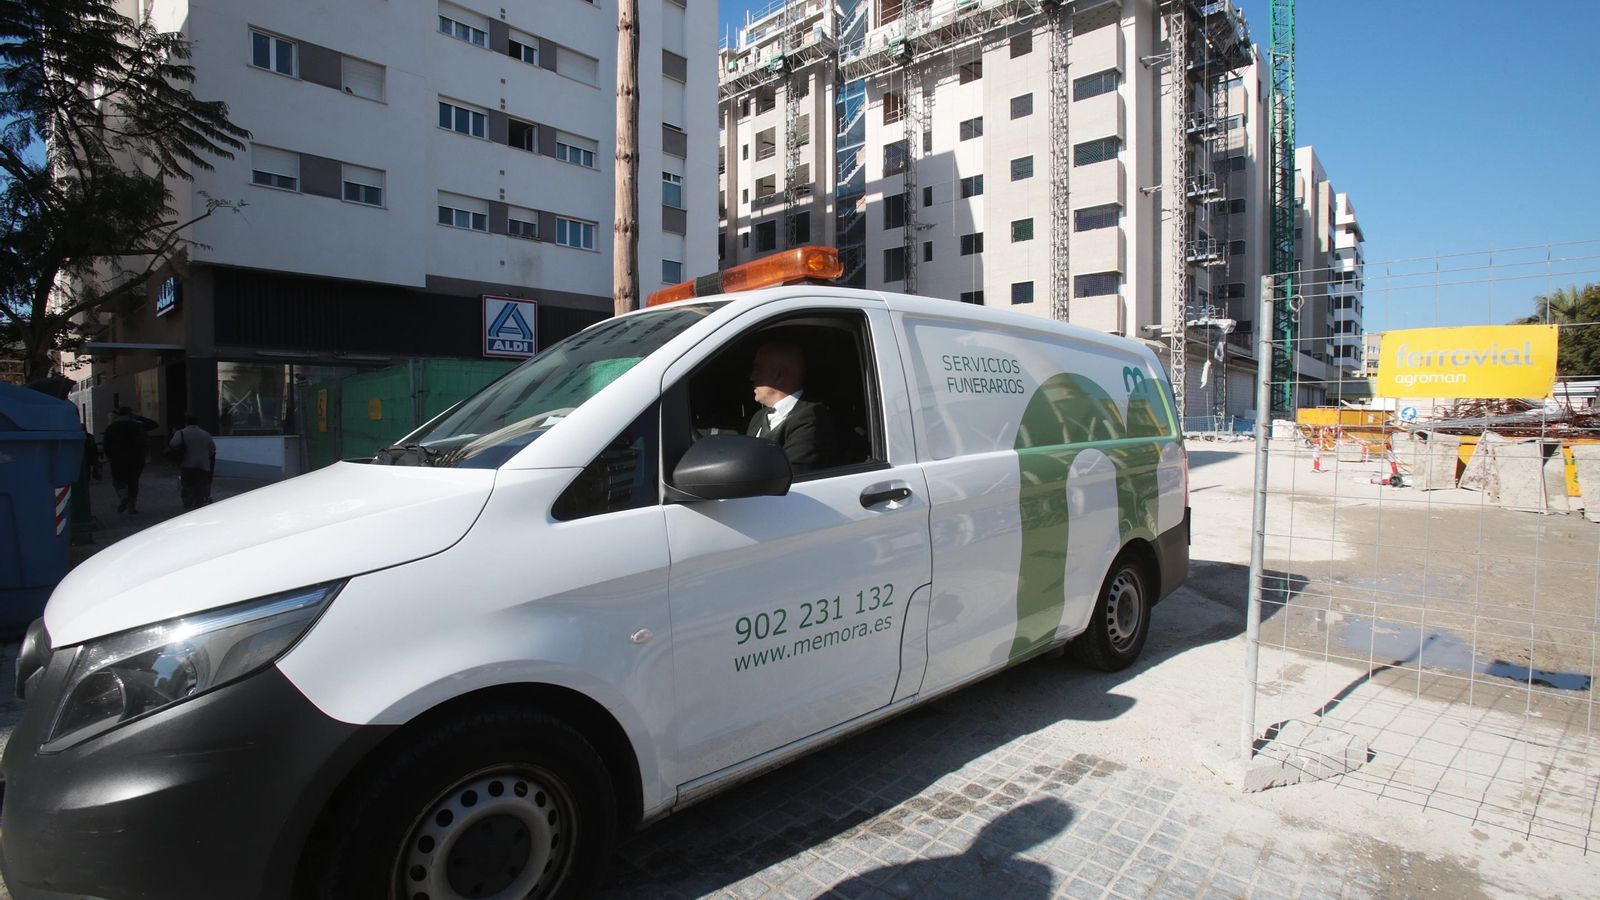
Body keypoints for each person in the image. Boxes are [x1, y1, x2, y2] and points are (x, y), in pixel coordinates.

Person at [745, 341, 837, 474]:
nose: (752, 377)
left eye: (758, 369)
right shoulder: (758, 417)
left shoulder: (812, 418)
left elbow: (789, 473)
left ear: (779, 375)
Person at [102, 407, 156, 514]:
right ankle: (132, 507)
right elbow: (153, 425)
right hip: (136, 457)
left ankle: (123, 495)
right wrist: (138, 417)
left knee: (118, 480)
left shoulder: (112, 427)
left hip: (117, 457)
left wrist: (109, 456)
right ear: (131, 414)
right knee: (133, 481)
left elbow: (106, 443)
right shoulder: (137, 425)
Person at [169, 414, 218, 510]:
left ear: (186, 422)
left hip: (187, 464)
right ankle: (199, 504)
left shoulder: (181, 433)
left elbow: (172, 444)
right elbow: (212, 449)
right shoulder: (205, 434)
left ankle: (188, 504)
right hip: (203, 466)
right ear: (198, 422)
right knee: (201, 486)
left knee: (187, 485)